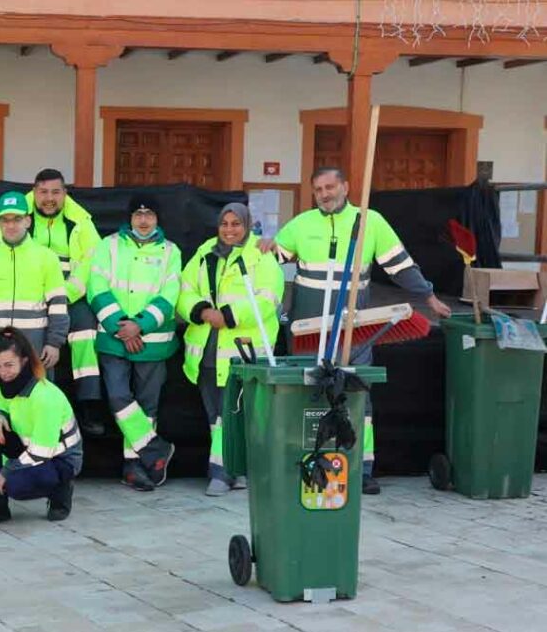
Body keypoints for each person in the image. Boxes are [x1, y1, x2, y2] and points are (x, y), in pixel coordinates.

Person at [259, 167, 452, 495]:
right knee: (308, 395)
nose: (324, 193)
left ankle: (360, 468)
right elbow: (270, 258)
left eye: (330, 186)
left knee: (358, 397)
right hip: (308, 331)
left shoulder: (370, 222)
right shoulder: (301, 224)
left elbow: (401, 266)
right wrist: (262, 246)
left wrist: (428, 296)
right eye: (318, 188)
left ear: (346, 187)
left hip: (354, 328)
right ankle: (310, 464)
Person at [0, 169, 107, 435]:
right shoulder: (15, 214)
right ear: (34, 192)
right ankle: (2, 407)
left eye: (56, 192)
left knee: (86, 328)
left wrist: (62, 295)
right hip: (28, 297)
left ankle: (89, 404)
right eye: (43, 192)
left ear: (65, 193)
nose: (49, 198)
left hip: (69, 294)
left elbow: (93, 263)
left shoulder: (81, 222)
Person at [179, 203, 285, 496]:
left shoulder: (260, 255)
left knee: (232, 415)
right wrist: (201, 311)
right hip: (206, 351)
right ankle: (236, 470)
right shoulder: (204, 252)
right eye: (224, 223)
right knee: (216, 415)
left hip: (242, 351)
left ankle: (222, 473)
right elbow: (184, 288)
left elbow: (268, 298)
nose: (229, 229)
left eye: (235, 223)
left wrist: (226, 316)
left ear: (247, 224)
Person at [87, 195, 181, 491]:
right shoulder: (109, 245)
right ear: (129, 218)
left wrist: (139, 325)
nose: (143, 220)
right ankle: (156, 450)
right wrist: (122, 327)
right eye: (138, 214)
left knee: (147, 405)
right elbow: (96, 287)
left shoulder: (171, 251)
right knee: (118, 398)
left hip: (153, 340)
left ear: (157, 218)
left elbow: (170, 294)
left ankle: (135, 466)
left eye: (149, 214)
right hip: (114, 340)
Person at [0, 192, 69, 417]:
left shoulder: (46, 258)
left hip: (35, 345)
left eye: (16, 219)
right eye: (5, 220)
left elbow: (58, 306)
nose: (11, 225)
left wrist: (54, 343)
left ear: (28, 220)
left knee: (38, 407)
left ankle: (38, 453)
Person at [0, 328, 82, 526]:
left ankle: (61, 489)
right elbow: (5, 408)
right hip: (28, 448)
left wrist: (6, 472)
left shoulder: (45, 396)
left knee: (14, 485)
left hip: (59, 458)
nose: (2, 372)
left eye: (9, 365)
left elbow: (43, 451)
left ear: (24, 362)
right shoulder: (3, 384)